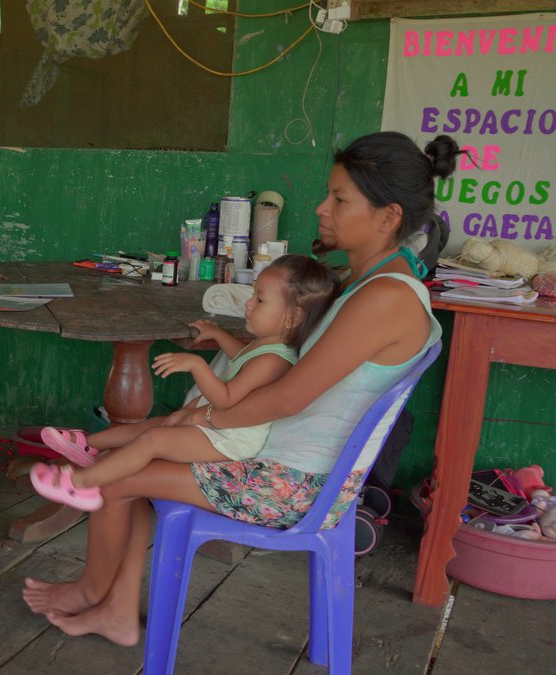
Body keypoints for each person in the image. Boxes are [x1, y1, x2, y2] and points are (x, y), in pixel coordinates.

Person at [22, 131, 452, 646]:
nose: (321, 208)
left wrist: (205, 418)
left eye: (339, 199)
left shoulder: (385, 297)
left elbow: (290, 396)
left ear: (389, 216)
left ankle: (92, 592)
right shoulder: (364, 282)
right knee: (136, 454)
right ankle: (113, 608)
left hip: (289, 484)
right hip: (276, 460)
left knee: (119, 475)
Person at [30, 255, 339, 510]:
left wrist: (195, 365)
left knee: (153, 440)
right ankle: (87, 444)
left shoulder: (276, 359)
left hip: (228, 441)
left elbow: (227, 398)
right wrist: (219, 334)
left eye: (259, 300)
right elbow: (241, 358)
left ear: (293, 317)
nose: (248, 304)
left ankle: (81, 484)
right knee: (151, 426)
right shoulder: (267, 347)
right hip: (215, 428)